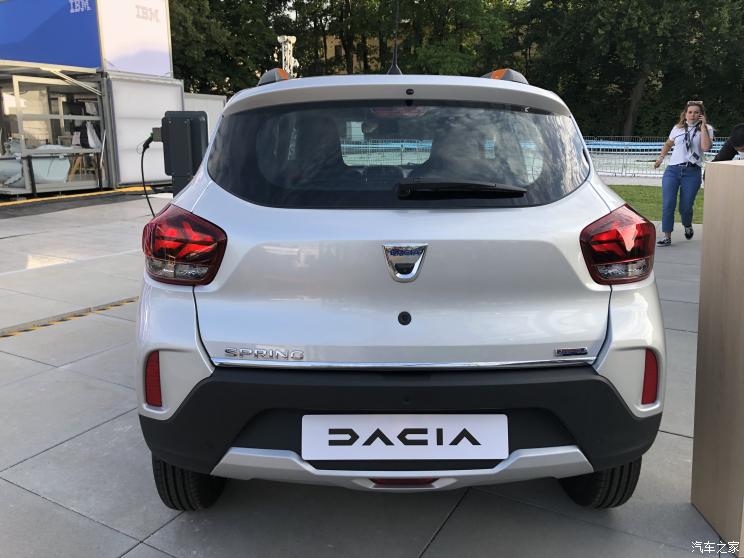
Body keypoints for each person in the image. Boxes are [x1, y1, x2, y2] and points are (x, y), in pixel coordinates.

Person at [653, 101, 713, 246]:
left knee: (685, 207)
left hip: (692, 172)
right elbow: (668, 143)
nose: (693, 115)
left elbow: (706, 148)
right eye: (690, 112)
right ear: (685, 114)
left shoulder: (707, 129)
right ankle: (667, 236)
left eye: (696, 112)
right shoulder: (677, 128)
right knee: (668, 204)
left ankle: (687, 224)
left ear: (701, 115)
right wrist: (661, 158)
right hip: (672, 170)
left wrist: (703, 127)